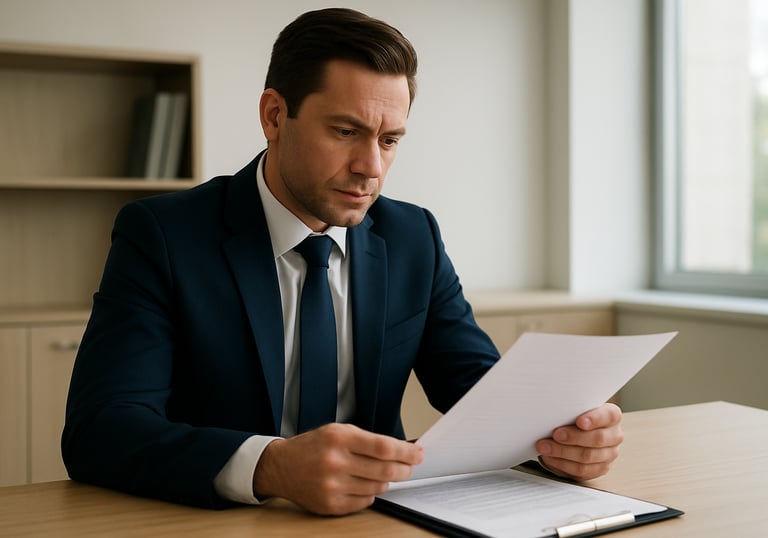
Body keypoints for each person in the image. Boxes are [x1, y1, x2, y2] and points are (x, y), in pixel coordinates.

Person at [62, 7, 623, 516]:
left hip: (379, 520)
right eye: (346, 131)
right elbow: (100, 430)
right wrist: (271, 465)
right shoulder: (163, 234)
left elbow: (478, 392)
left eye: (391, 139)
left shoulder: (413, 236)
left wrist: (557, 438)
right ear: (275, 116)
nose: (371, 167)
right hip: (221, 523)